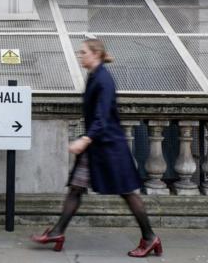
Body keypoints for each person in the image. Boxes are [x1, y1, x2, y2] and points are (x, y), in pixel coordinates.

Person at [30, 39, 162, 258]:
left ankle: (150, 238)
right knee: (76, 187)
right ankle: (57, 232)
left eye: (83, 52)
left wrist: (85, 139)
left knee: (128, 192)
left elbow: (102, 117)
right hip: (98, 147)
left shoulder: (103, 79)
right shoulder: (94, 76)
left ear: (96, 54)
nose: (80, 55)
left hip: (110, 146)